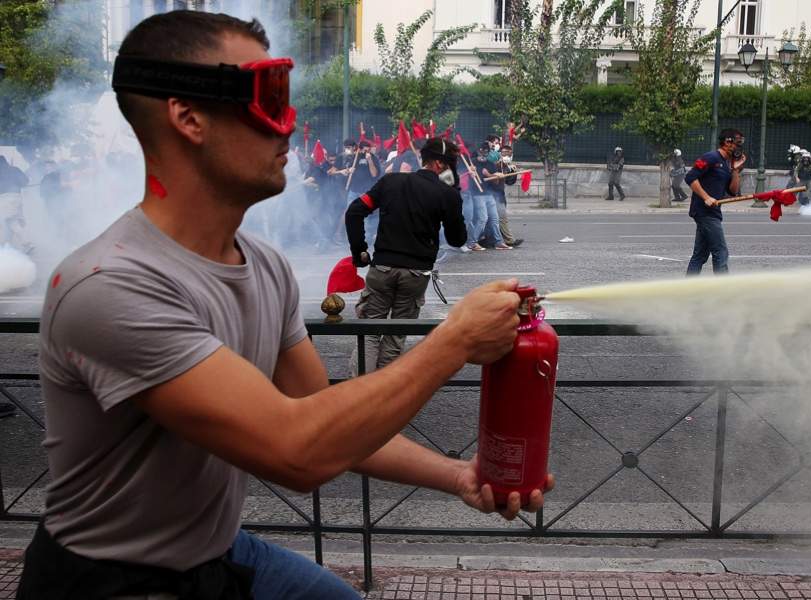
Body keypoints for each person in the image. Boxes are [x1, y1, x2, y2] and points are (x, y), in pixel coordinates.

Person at [18, 12, 551, 600]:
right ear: (188, 118)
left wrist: (458, 476)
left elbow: (323, 410)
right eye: (269, 100)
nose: (289, 128)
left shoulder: (264, 265)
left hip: (217, 554)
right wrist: (453, 341)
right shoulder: (109, 286)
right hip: (109, 579)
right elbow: (296, 451)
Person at [345, 137, 469, 374]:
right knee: (395, 336)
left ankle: (359, 394)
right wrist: (454, 194)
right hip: (415, 273)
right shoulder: (446, 194)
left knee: (370, 333)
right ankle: (384, 396)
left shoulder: (391, 181)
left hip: (381, 269)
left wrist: (359, 250)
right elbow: (457, 239)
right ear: (441, 165)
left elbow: (354, 211)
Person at [684, 129, 747, 275]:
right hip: (704, 212)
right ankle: (723, 289)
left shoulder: (727, 164)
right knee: (720, 252)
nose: (739, 147)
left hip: (713, 212)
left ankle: (687, 288)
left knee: (700, 255)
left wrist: (736, 171)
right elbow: (690, 177)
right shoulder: (711, 157)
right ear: (727, 142)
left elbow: (732, 191)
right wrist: (706, 197)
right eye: (737, 143)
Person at [0, 155, 31, 253]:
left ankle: (27, 243)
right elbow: (25, 182)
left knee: (11, 222)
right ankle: (7, 246)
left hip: (5, 198)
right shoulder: (15, 169)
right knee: (12, 222)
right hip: (17, 197)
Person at [494, 144, 523, 247]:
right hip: (490, 195)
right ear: (500, 153)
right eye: (505, 153)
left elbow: (509, 182)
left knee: (499, 218)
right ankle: (509, 240)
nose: (507, 155)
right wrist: (499, 165)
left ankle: (499, 239)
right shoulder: (494, 162)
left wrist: (513, 172)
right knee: (500, 217)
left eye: (509, 154)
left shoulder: (507, 165)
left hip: (500, 194)